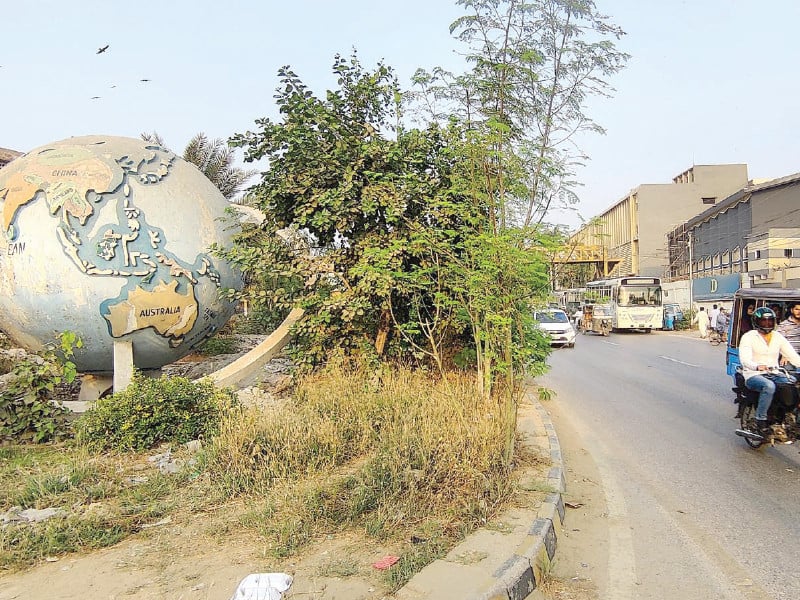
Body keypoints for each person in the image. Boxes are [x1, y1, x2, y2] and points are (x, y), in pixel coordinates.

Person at [738, 307, 800, 437]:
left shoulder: (778, 337)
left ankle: (785, 416)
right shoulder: (749, 337)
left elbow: (792, 356)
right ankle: (761, 420)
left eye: (770, 321)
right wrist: (756, 366)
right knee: (769, 386)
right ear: (756, 322)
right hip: (754, 374)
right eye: (764, 321)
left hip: (775, 373)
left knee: (792, 383)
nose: (767, 324)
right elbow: (745, 359)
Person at [778, 301, 800, 369]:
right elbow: (779, 343)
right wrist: (784, 354)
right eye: (797, 309)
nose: (799, 312)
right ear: (792, 310)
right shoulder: (783, 325)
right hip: (789, 355)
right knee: (789, 373)